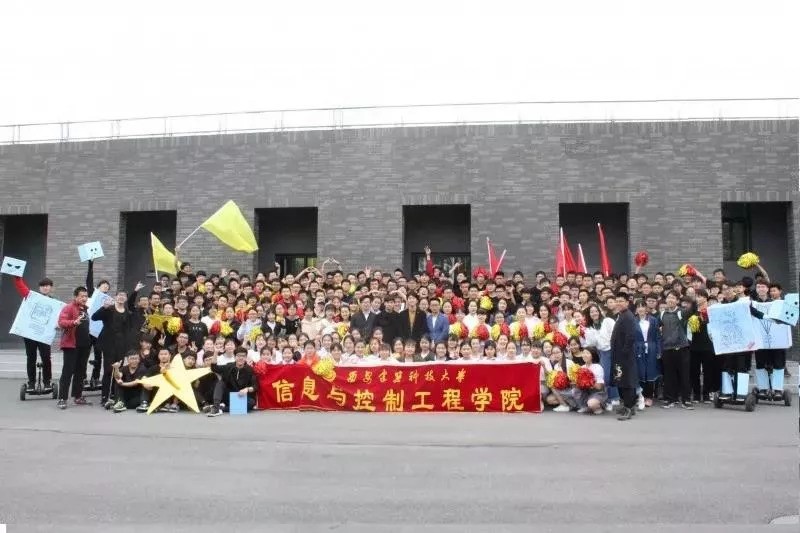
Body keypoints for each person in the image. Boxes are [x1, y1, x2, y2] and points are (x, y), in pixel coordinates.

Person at [13, 276, 55, 393]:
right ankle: (31, 383)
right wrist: (17, 277)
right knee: (31, 357)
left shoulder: (54, 302)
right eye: (43, 286)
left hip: (43, 335)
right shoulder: (32, 297)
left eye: (47, 286)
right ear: (39, 288)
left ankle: (47, 382)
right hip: (30, 333)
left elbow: (57, 317)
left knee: (46, 358)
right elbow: (22, 288)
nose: (45, 288)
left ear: (51, 288)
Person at [91, 290, 132, 408]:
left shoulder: (128, 313)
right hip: (108, 344)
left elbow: (128, 331)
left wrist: (127, 348)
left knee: (118, 371)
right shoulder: (109, 309)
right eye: (119, 295)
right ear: (115, 297)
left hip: (121, 345)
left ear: (126, 298)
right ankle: (105, 396)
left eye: (123, 295)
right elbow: (94, 317)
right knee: (108, 370)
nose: (121, 297)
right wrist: (103, 307)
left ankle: (115, 395)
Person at [56, 286, 93, 409]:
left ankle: (77, 396)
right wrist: (73, 322)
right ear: (75, 297)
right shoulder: (69, 307)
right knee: (67, 372)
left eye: (86, 296)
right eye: (82, 296)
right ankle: (62, 398)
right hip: (71, 345)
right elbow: (61, 322)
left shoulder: (85, 309)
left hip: (84, 346)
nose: (84, 298)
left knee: (80, 372)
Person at [660, 291, 692, 409]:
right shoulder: (662, 313)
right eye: (668, 297)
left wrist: (692, 299)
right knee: (669, 376)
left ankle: (686, 400)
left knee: (684, 375)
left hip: (682, 347)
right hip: (667, 348)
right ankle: (670, 399)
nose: (670, 300)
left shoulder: (681, 312)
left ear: (677, 301)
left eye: (673, 298)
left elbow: (692, 310)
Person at [609, 292, 638, 421]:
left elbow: (630, 337)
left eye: (621, 301)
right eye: (617, 301)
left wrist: (624, 352)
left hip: (625, 356)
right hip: (619, 355)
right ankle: (626, 405)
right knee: (621, 380)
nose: (619, 303)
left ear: (627, 302)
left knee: (627, 382)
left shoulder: (628, 316)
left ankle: (629, 408)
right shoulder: (622, 315)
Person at [207, 347, 258, 417]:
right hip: (229, 396)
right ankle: (216, 407)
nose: (241, 358)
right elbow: (214, 368)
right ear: (234, 357)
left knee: (251, 403)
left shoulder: (250, 370)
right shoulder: (229, 366)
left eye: (243, 356)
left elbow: (255, 386)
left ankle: (222, 408)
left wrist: (247, 389)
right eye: (238, 356)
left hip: (241, 396)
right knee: (221, 383)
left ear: (246, 357)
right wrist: (215, 352)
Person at [633, 300, 661, 408]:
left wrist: (659, 350)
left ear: (646, 308)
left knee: (650, 372)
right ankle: (640, 396)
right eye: (638, 307)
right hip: (637, 348)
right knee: (639, 372)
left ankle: (649, 396)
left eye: (642, 306)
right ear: (636, 309)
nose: (641, 309)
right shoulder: (633, 321)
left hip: (651, 347)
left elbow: (658, 337)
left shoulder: (653, 320)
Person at [574, 348, 607, 415]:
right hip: (585, 391)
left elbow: (599, 387)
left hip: (597, 392)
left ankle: (599, 407)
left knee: (592, 404)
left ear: (592, 355)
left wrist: (587, 382)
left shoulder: (597, 367)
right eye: (583, 353)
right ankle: (585, 406)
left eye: (587, 353)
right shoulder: (582, 367)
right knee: (574, 391)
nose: (585, 355)